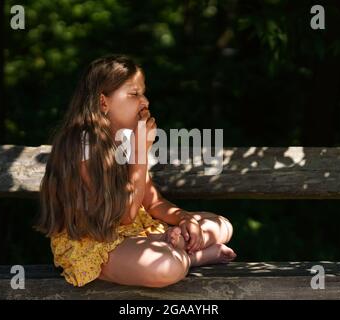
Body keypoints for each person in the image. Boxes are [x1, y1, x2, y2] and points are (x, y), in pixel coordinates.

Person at [35, 54, 236, 288]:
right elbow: (123, 216)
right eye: (134, 94)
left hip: (136, 233)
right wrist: (140, 152)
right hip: (96, 241)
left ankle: (174, 245)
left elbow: (153, 203)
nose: (145, 101)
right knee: (165, 266)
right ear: (103, 103)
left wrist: (185, 218)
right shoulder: (82, 144)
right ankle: (192, 257)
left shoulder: (125, 140)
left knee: (221, 225)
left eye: (143, 92)